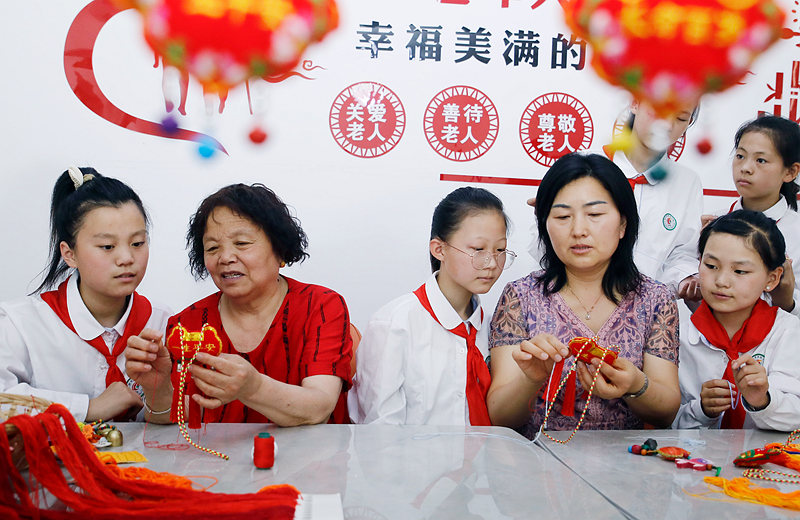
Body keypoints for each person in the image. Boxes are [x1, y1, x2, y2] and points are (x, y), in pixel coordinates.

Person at [125, 183, 353, 425]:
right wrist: (157, 389)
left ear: (280, 249)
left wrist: (253, 388)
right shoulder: (186, 325)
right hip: (218, 461)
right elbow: (179, 420)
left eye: (242, 243)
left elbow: (319, 408)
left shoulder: (320, 306)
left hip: (313, 460)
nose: (225, 257)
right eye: (212, 248)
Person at [489, 153, 680, 438]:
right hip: (537, 466)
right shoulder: (519, 297)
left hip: (626, 469)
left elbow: (666, 413)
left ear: (623, 224)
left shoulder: (655, 300)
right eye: (563, 216)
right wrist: (531, 379)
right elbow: (500, 417)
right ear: (545, 224)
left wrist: (635, 384)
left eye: (595, 215)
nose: (578, 230)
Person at [0, 167, 170, 422]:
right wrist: (88, 408)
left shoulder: (163, 322)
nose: (126, 258)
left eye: (137, 243)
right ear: (69, 253)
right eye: (107, 246)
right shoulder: (20, 323)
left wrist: (161, 395)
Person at [349, 187, 515, 425]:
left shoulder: (495, 329)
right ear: (439, 249)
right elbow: (381, 432)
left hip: (486, 460)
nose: (491, 262)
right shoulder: (395, 325)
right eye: (478, 249)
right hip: (410, 461)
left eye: (500, 250)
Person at [529, 101, 704, 302]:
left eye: (681, 118)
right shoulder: (582, 166)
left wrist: (684, 278)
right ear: (635, 103)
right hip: (572, 303)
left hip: (645, 311)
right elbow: (543, 243)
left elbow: (683, 253)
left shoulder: (687, 182)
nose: (666, 125)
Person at [673, 210, 800, 430]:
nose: (722, 281)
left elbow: (795, 415)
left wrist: (763, 400)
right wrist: (700, 410)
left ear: (772, 278)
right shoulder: (677, 337)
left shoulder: (787, 332)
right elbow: (661, 423)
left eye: (740, 271)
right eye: (711, 266)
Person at [722, 115, 800, 316]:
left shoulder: (796, 232)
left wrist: (787, 302)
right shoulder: (713, 222)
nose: (745, 168)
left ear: (790, 172)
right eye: (740, 156)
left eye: (761, 160)